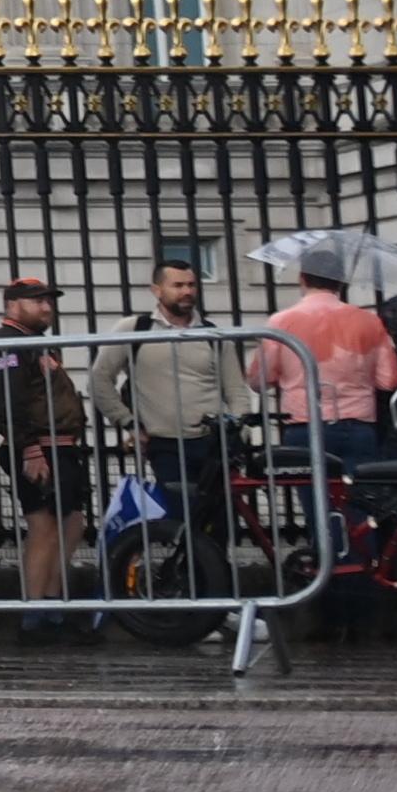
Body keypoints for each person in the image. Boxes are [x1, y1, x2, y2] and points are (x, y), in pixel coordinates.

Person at [115, 257, 256, 601]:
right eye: (178, 285)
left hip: (213, 443)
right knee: (183, 524)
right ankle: (194, 598)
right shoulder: (135, 329)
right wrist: (129, 423)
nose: (187, 291)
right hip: (166, 443)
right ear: (157, 290)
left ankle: (216, 601)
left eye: (191, 284)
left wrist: (236, 422)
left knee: (220, 526)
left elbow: (236, 390)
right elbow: (100, 381)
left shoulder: (211, 332)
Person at [0, 275, 87, 632]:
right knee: (45, 525)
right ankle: (37, 613)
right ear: (12, 306)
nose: (46, 307)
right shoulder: (8, 345)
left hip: (58, 444)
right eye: (37, 301)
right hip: (39, 446)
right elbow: (6, 403)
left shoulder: (33, 342)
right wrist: (29, 449)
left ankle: (52, 603)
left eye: (48, 301)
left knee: (70, 522)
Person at [251, 258, 397, 471]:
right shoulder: (369, 321)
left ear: (302, 278)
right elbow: (388, 380)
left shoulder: (281, 322)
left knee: (313, 498)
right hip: (358, 424)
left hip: (303, 422)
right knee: (357, 499)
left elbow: (259, 380)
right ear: (340, 282)